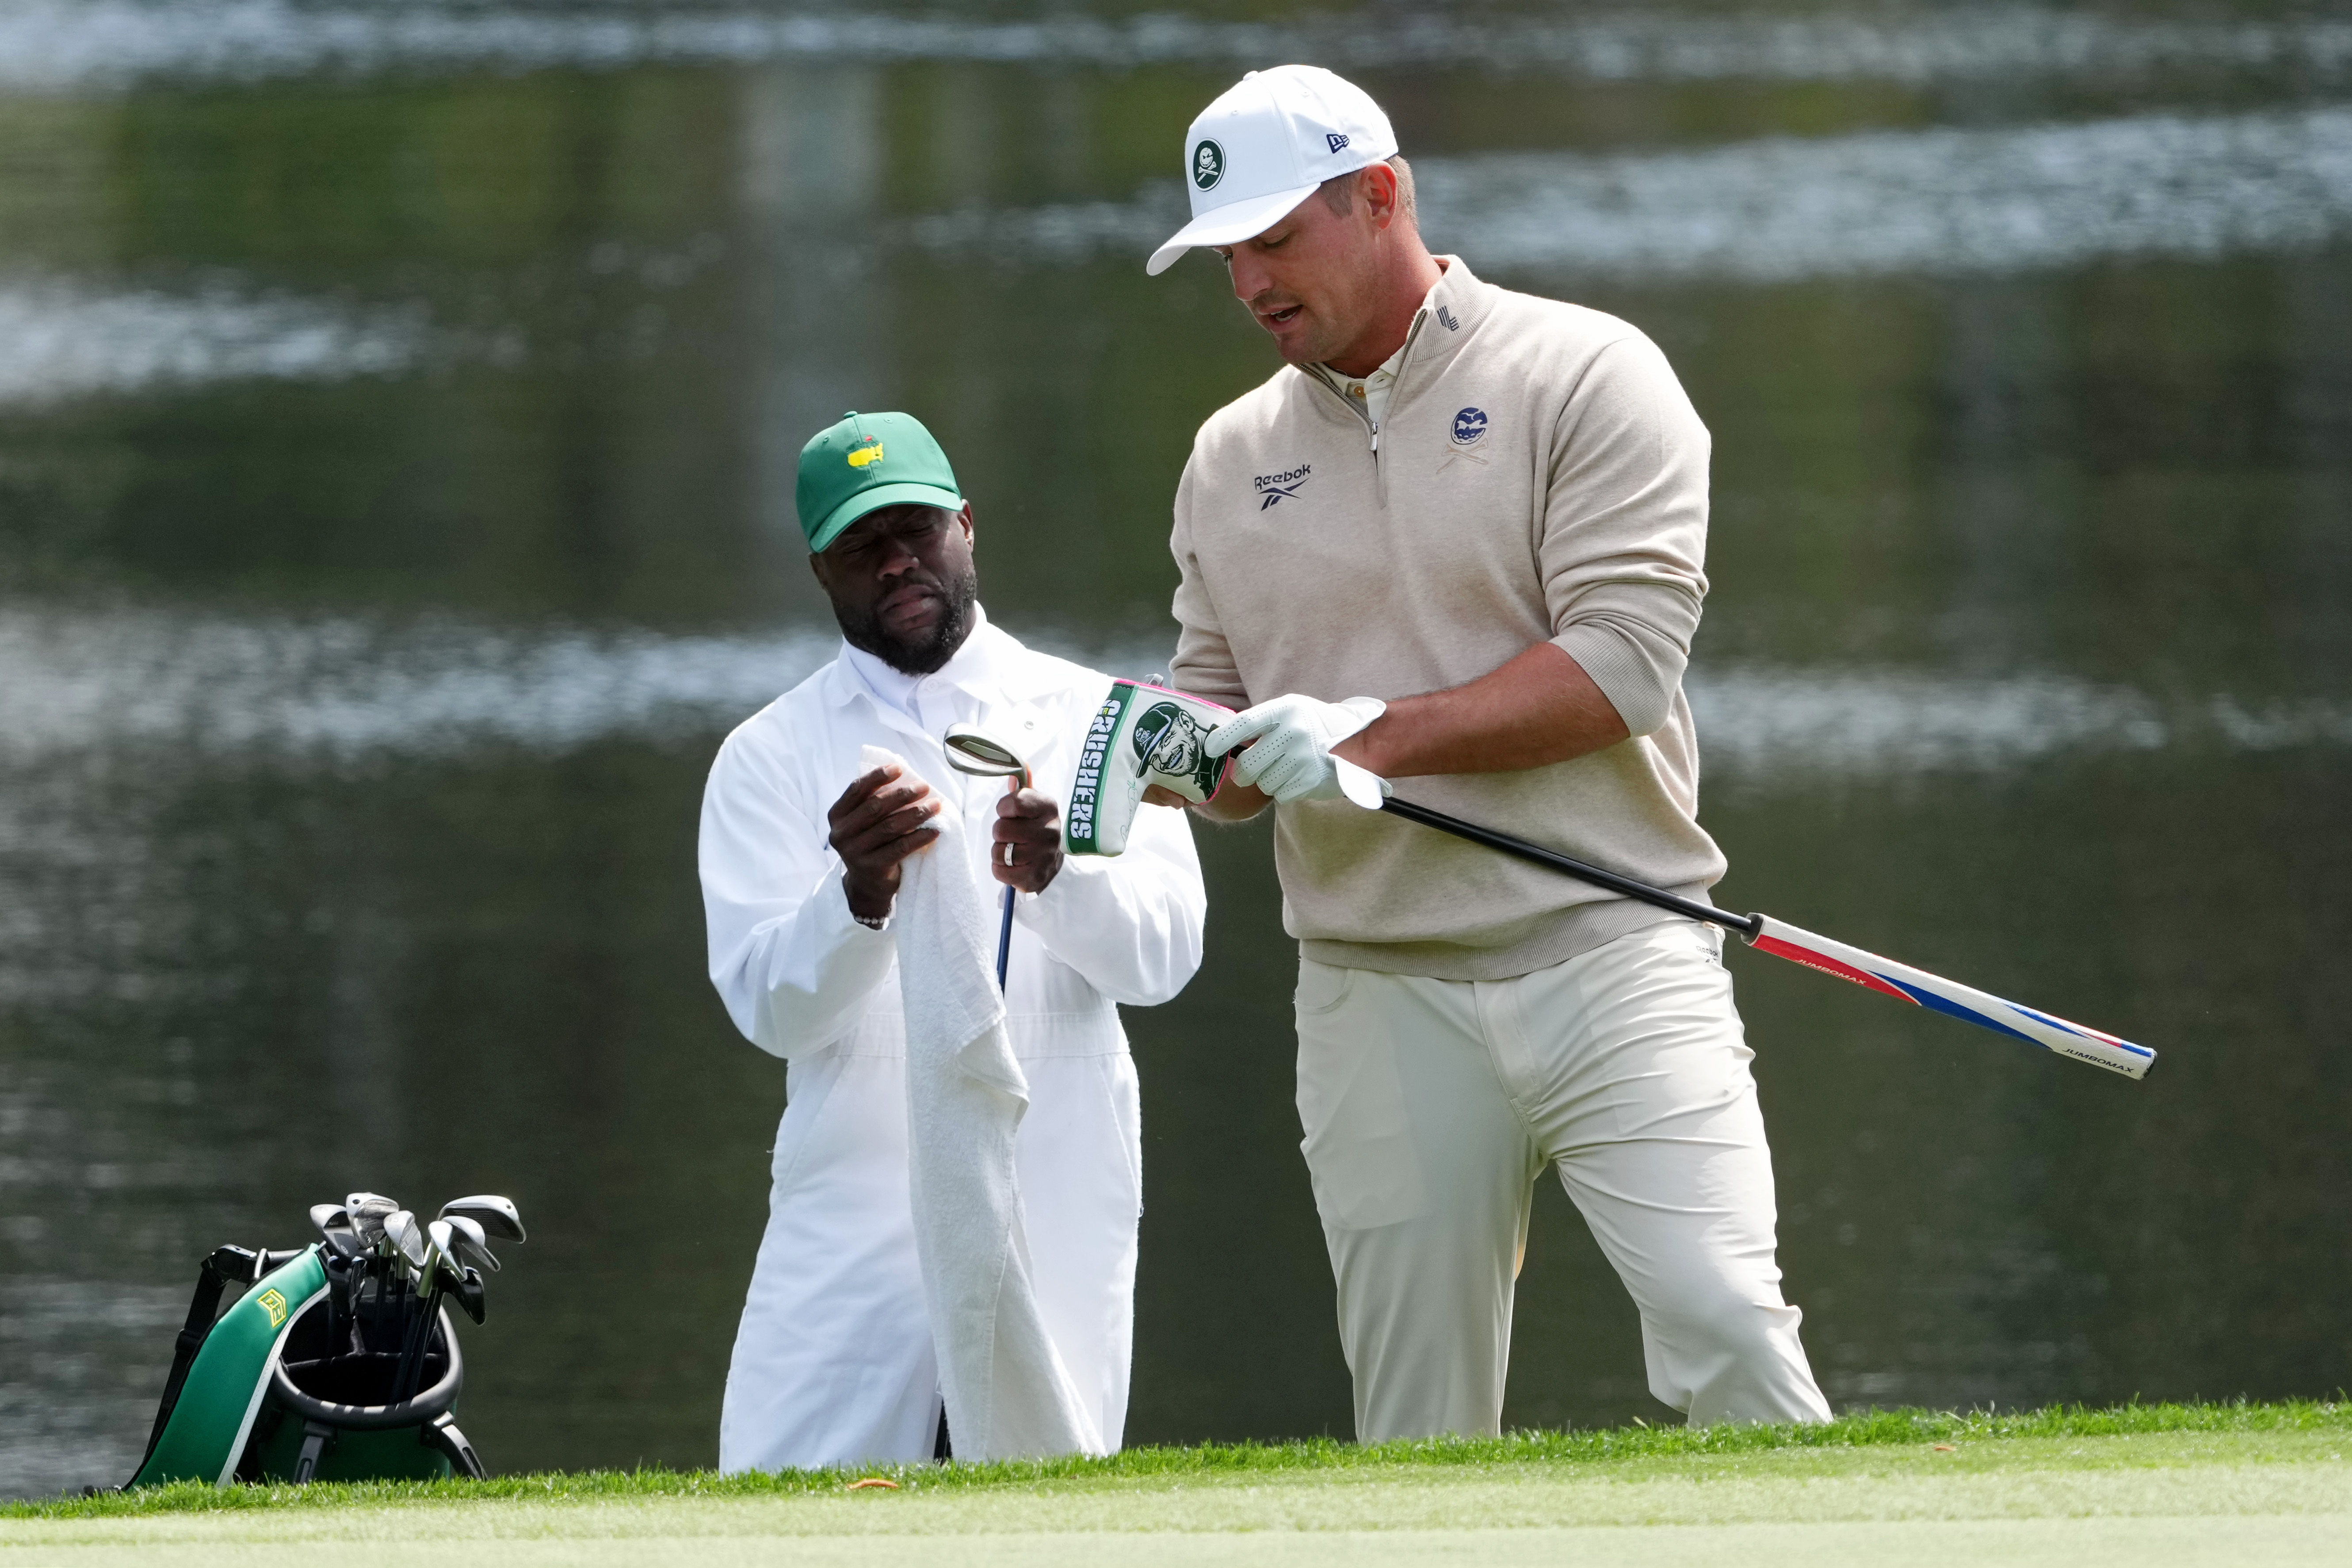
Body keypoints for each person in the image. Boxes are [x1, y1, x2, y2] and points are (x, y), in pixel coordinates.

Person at [1142, 65, 1832, 1439]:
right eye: (1229, 253)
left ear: (1382, 194)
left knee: (1729, 1331)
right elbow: (1212, 738)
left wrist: (1362, 737)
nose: (1250, 283)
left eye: (1277, 240)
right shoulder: (1228, 459)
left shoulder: (1584, 373)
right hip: (1372, 989)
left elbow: (1621, 669)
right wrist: (1159, 754)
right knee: (1418, 1424)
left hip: (1611, 941)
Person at [699, 410, 1207, 1471]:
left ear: (967, 525)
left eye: (916, 529)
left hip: (1058, 1163)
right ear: (818, 570)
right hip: (857, 1183)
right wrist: (859, 895)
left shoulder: (1101, 716)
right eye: (859, 545)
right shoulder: (767, 756)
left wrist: (1064, 878)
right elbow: (767, 1009)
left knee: (1047, 1490)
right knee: (790, 1486)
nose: (895, 562)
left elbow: (1165, 958)